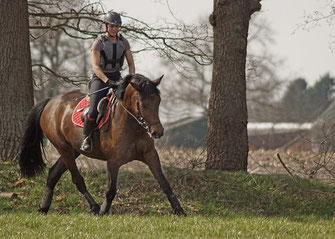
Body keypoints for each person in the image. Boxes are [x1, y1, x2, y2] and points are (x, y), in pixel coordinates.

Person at [80, 11, 135, 152]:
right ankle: (86, 138)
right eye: (111, 26)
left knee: (130, 103)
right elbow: (95, 67)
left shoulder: (124, 42)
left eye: (116, 27)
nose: (114, 29)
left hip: (117, 77)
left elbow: (131, 64)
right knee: (93, 110)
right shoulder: (99, 43)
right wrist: (107, 81)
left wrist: (131, 79)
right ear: (106, 26)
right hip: (100, 78)